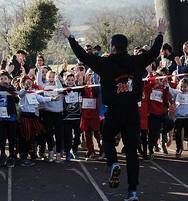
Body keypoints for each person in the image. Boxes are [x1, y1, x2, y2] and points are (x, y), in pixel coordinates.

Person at [62, 18, 167, 201]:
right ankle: (133, 191)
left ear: (112, 47)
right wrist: (160, 33)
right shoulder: (136, 61)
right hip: (132, 111)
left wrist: (70, 37)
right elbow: (154, 53)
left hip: (114, 111)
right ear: (126, 47)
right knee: (132, 153)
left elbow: (83, 56)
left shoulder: (105, 63)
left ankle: (112, 164)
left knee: (108, 138)